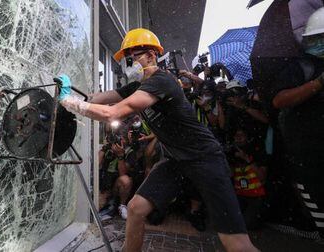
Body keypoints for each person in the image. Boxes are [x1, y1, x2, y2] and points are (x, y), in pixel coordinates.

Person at [58, 28, 259, 252]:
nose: (129, 62)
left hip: (204, 159)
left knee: (235, 243)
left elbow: (111, 112)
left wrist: (71, 102)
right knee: (135, 208)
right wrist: (66, 95)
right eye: (127, 58)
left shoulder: (162, 82)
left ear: (151, 55)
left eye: (134, 55)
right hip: (175, 160)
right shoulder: (137, 87)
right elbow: (96, 99)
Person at [271, 7, 324, 237]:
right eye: (316, 39)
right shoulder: (299, 66)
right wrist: (319, 83)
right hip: (308, 156)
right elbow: (279, 100)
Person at [226, 129, 267, 230]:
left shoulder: (256, 152)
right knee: (231, 222)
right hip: (240, 196)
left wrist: (246, 159)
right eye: (236, 135)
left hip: (255, 197)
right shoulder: (232, 154)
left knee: (246, 225)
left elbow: (262, 176)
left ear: (247, 137)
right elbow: (229, 175)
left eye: (242, 135)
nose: (239, 138)